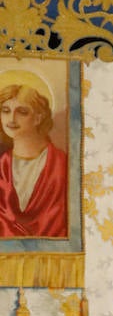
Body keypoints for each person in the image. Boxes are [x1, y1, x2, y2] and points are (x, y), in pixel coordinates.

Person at [0, 77, 68, 239]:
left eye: (22, 112)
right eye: (5, 110)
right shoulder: (2, 165)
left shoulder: (61, 165)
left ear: (38, 117)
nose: (12, 119)